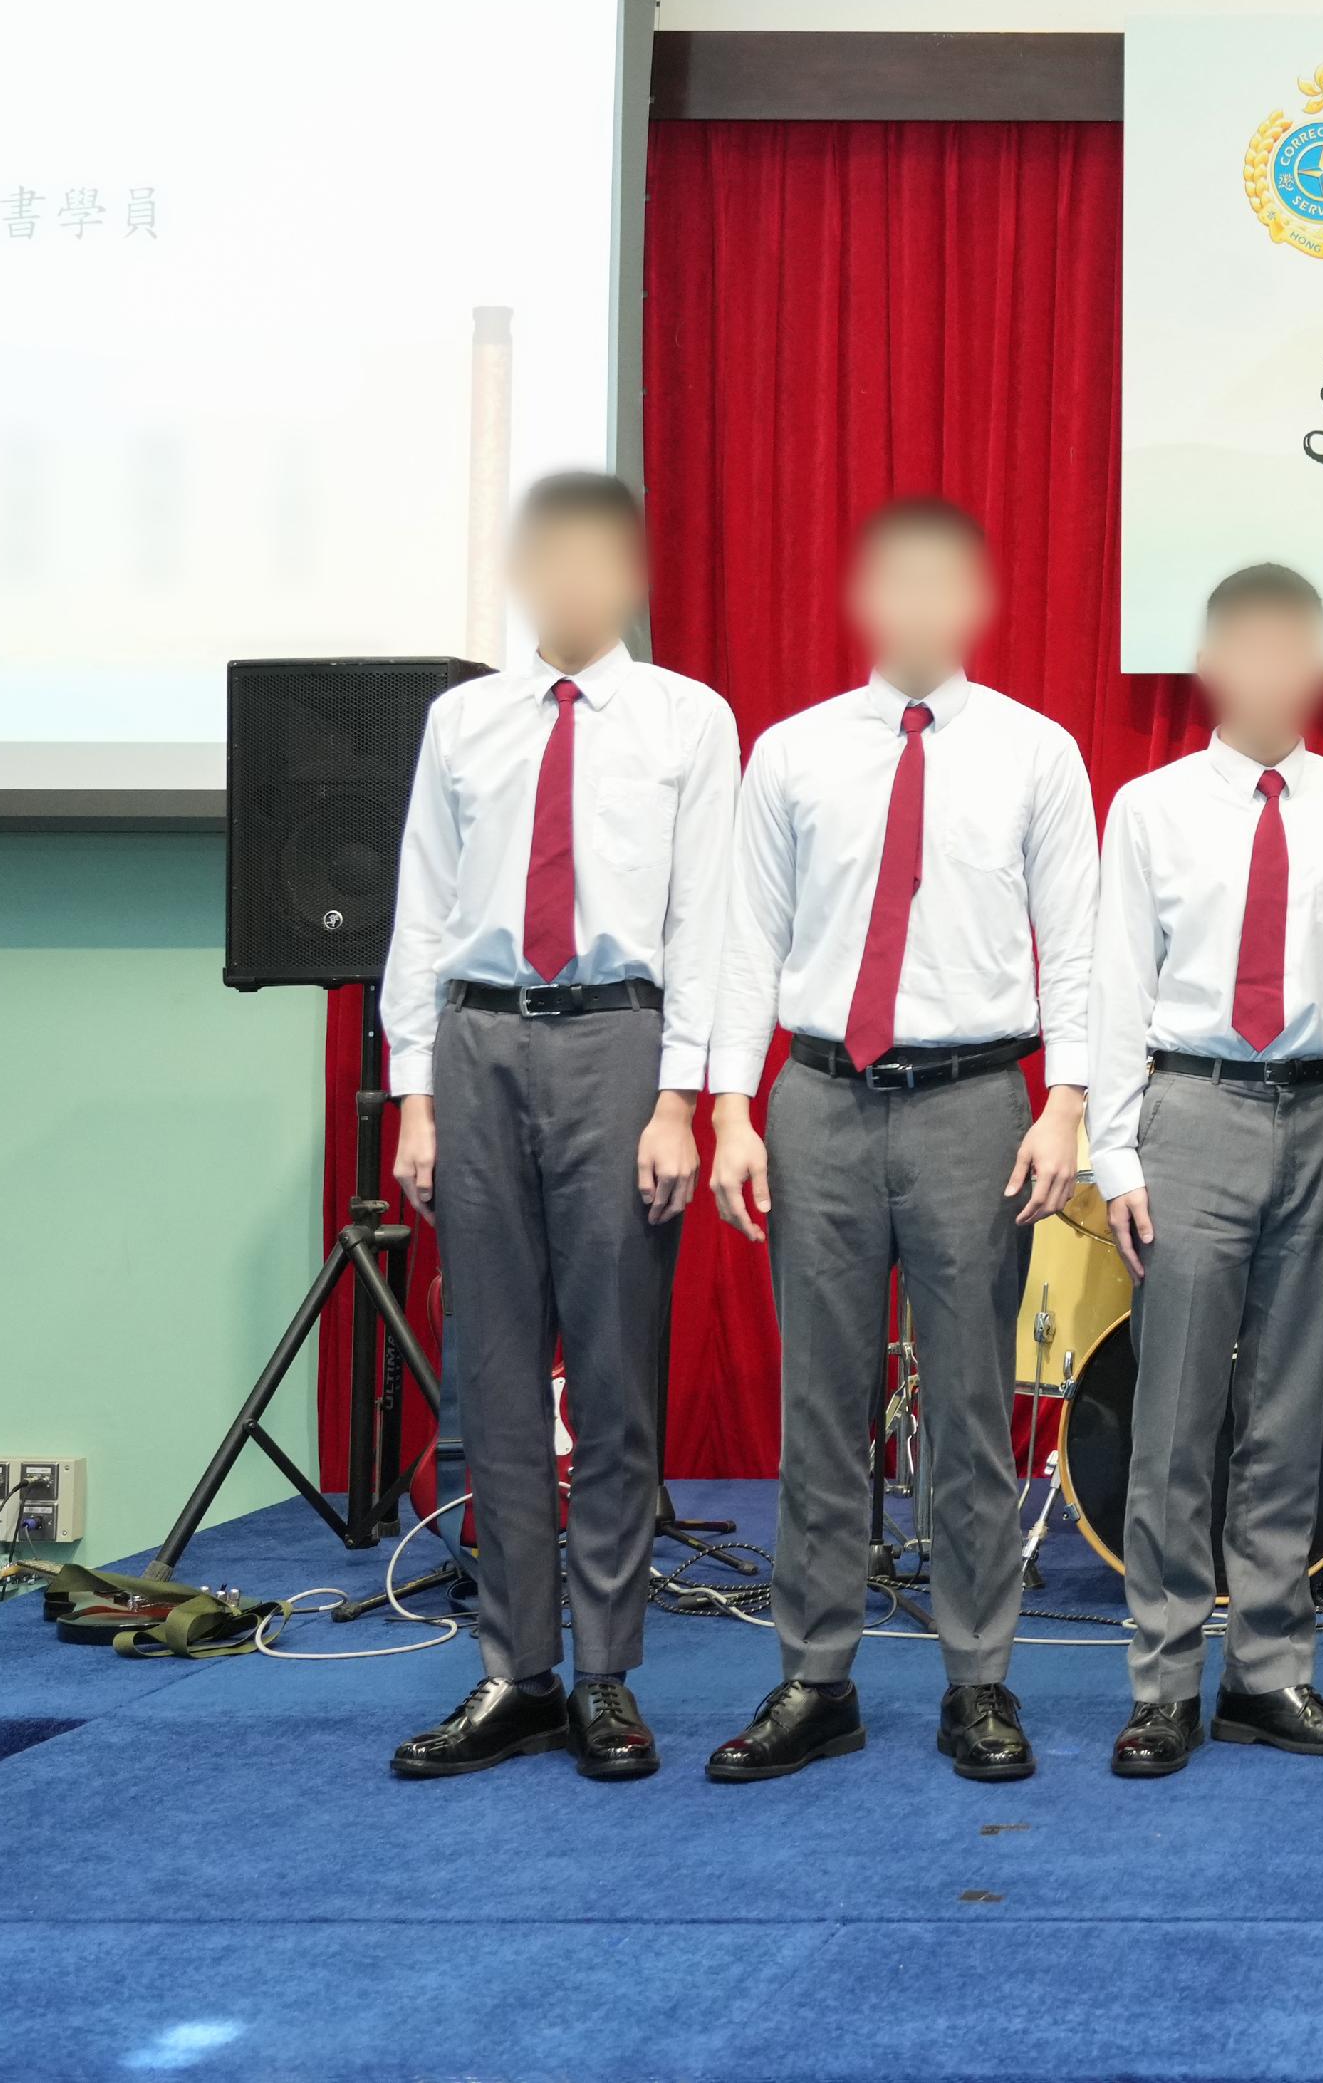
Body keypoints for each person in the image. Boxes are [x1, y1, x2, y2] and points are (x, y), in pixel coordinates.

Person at [702, 497, 1095, 1787]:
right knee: (823, 1405)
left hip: (975, 1106)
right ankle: (815, 1679)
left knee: (974, 1411)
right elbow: (746, 940)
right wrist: (726, 1107)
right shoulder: (794, 753)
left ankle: (978, 1680)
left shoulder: (1036, 753)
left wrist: (1070, 1099)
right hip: (814, 1098)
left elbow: (1077, 940)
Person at [383, 472, 739, 1784]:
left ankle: (605, 1672)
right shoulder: (463, 720)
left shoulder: (688, 720)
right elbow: (422, 908)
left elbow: (709, 915)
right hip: (477, 1040)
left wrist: (679, 1098)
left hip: (616, 1040)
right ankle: (511, 1669)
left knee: (611, 1370)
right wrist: (416, 1089)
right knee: (489, 1375)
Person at [1091, 564, 1323, 1777]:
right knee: (1173, 1418)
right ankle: (1163, 1679)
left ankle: (1270, 1672)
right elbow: (1115, 984)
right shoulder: (1151, 805)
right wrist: (1115, 1150)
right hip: (1193, 1110)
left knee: (1288, 1411)